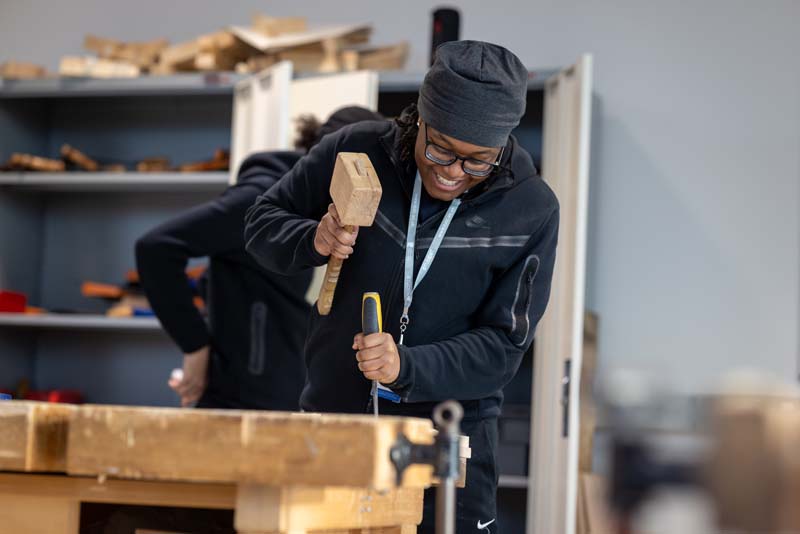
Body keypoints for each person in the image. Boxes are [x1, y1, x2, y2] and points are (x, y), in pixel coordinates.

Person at [244, 41, 559, 533]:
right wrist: (313, 238)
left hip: (448, 441)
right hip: (336, 421)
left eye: (478, 162)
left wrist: (405, 366)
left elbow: (502, 348)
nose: (454, 173)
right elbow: (261, 223)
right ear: (420, 119)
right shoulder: (356, 149)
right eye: (441, 149)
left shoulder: (531, 209)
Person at [135, 106, 384, 410]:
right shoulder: (258, 200)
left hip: (280, 396)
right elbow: (156, 248)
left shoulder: (316, 209)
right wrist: (195, 347)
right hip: (239, 402)